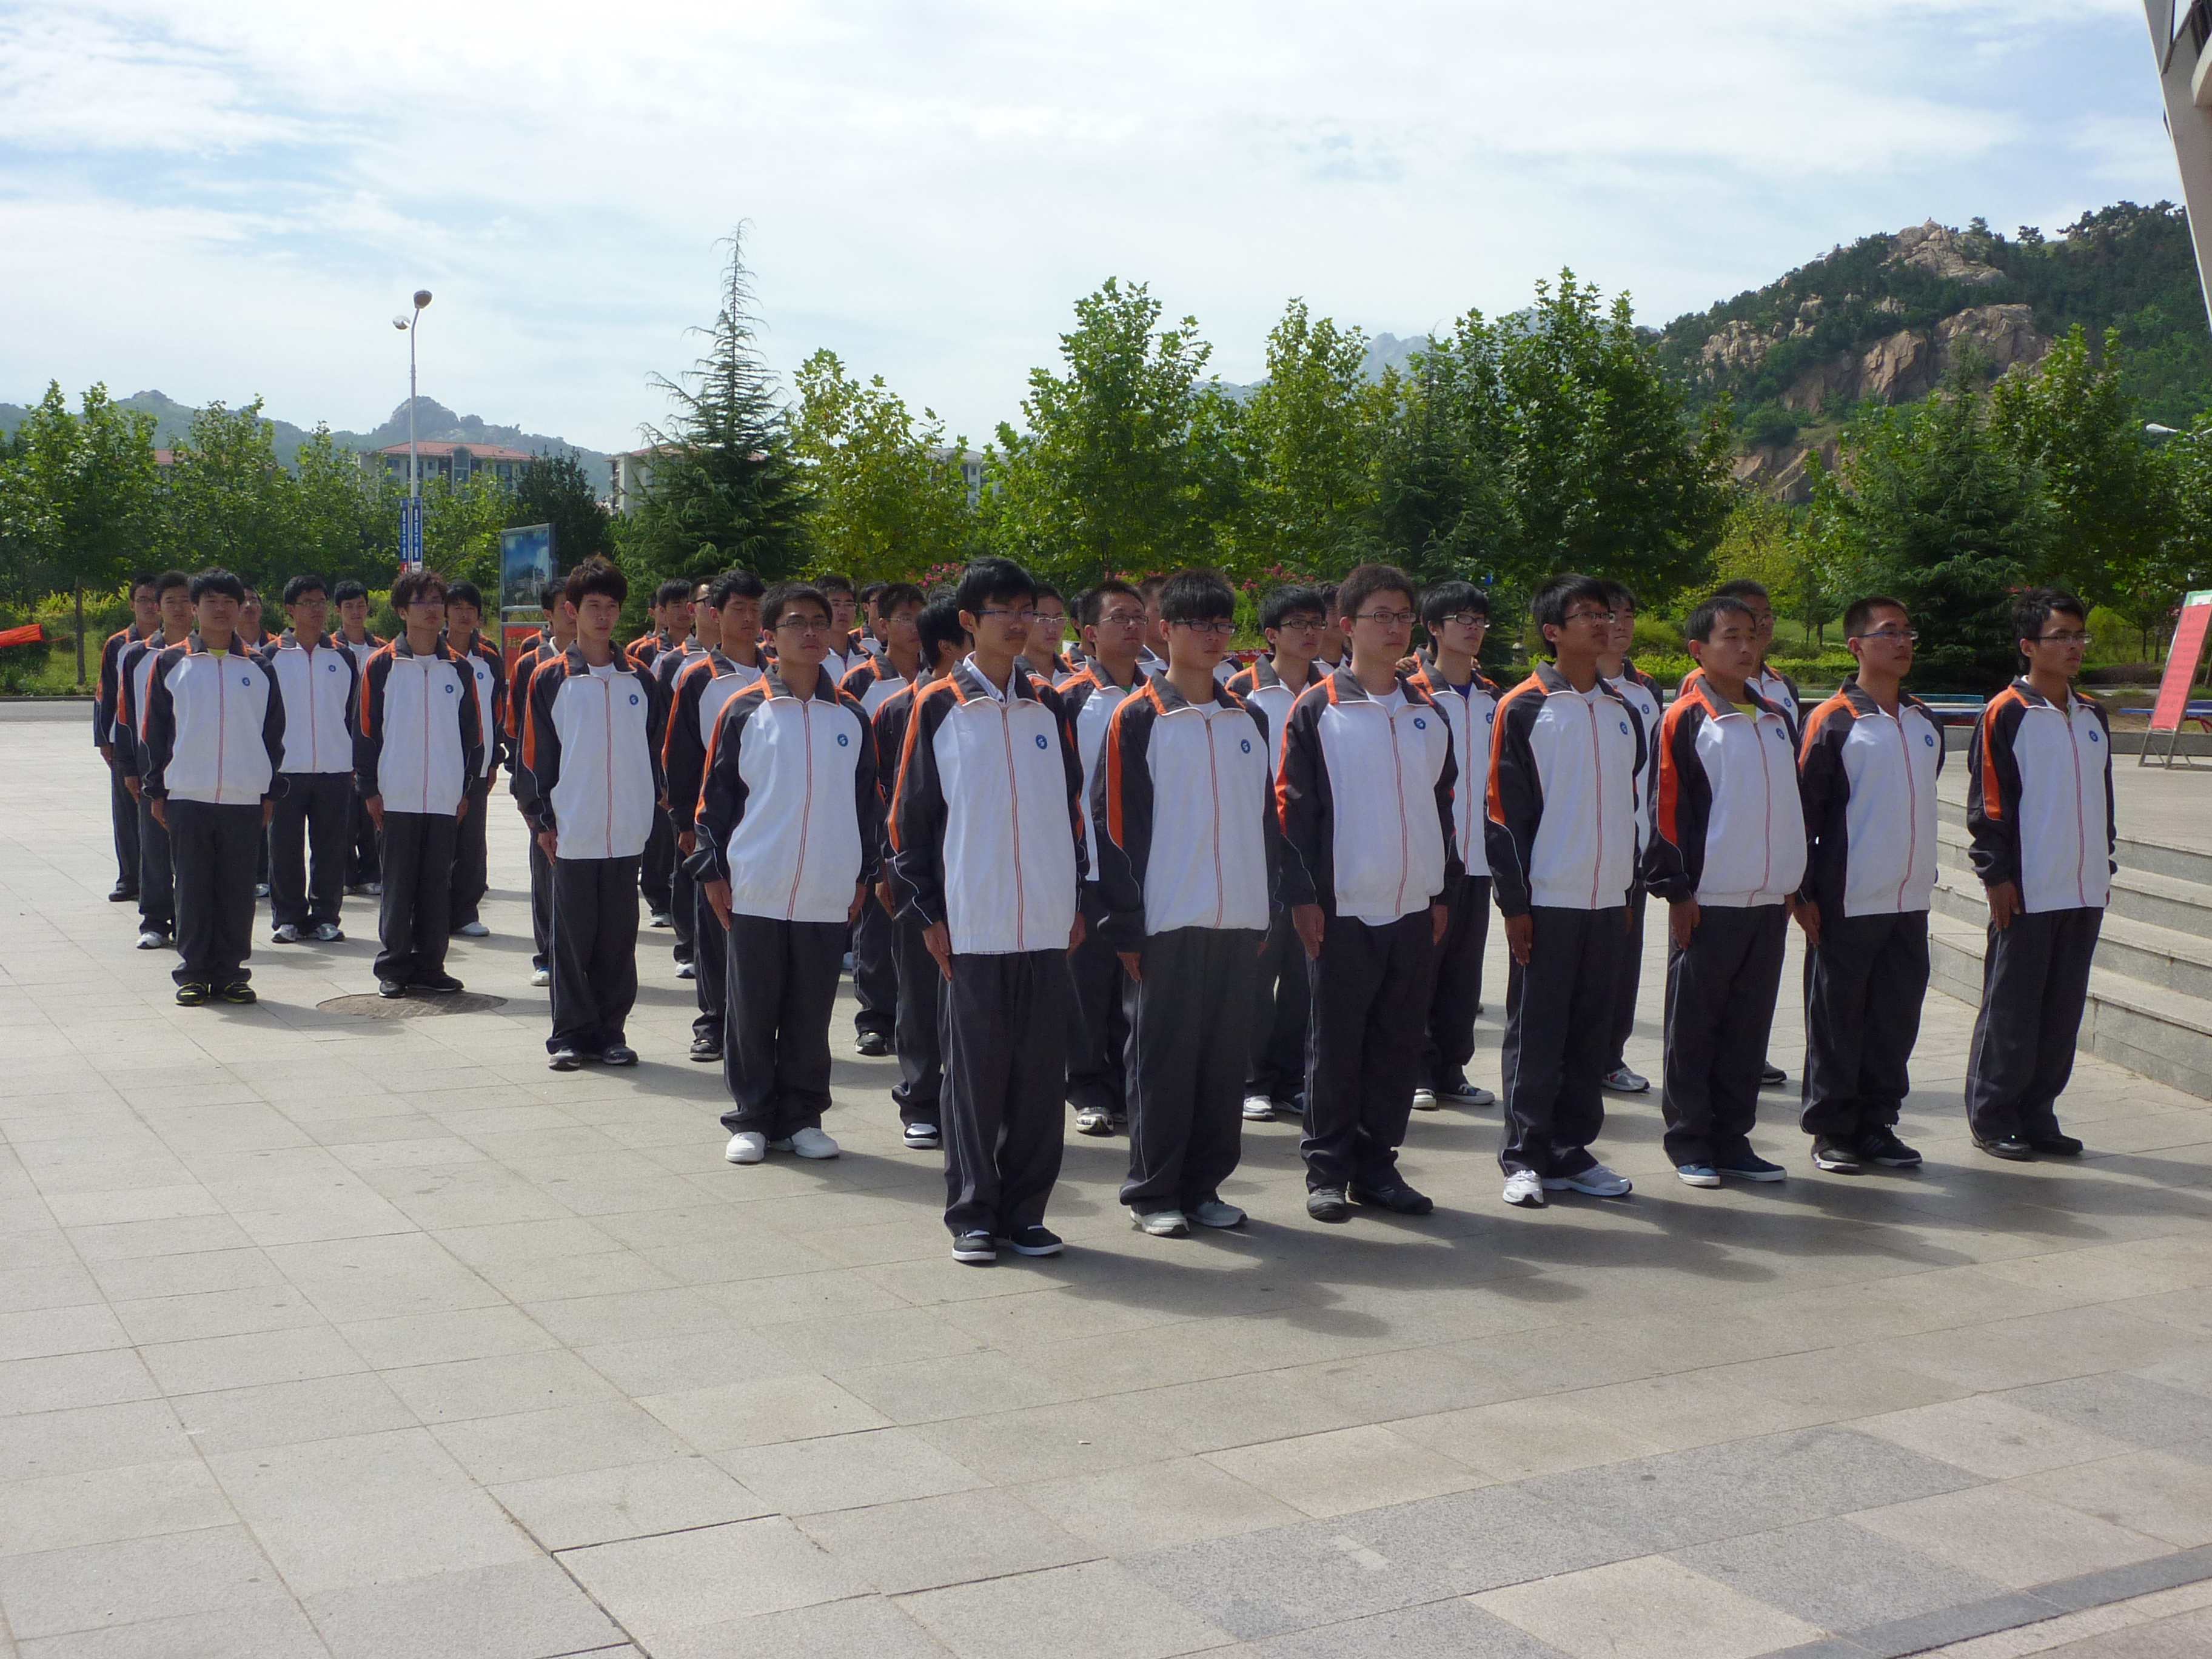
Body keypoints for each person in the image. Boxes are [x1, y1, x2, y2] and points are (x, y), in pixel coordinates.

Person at [890, 557, 1085, 1265]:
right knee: (975, 1078)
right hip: (973, 922)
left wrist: (1075, 899)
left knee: (1039, 1079)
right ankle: (973, 1213)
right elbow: (908, 819)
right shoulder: (939, 705)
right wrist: (928, 913)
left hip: (1045, 923)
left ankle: (1026, 1214)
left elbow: (1073, 812)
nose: (1019, 622)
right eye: (1004, 610)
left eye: (1027, 609)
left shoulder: (1049, 706)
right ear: (969, 621)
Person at [1093, 569, 1273, 1236]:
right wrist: (1126, 924)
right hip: (1167, 920)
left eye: (1222, 624)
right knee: (1162, 1059)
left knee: (1223, 1062)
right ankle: (1153, 1191)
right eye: (1198, 623)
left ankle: (1204, 1186)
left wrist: (1265, 905)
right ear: (1164, 629)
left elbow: (1265, 820)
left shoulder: (1247, 717)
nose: (1213, 636)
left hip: (1239, 917)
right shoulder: (1139, 717)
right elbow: (1115, 826)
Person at [1276, 563, 1456, 1222]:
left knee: (1397, 1044)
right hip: (1343, 908)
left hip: (1412, 905)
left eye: (1404, 616)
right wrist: (1304, 897)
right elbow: (1294, 811)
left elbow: (1442, 807)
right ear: (1346, 626)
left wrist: (1440, 892)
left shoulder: (1427, 711)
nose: (1395, 627)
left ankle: (1378, 1165)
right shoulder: (1319, 708)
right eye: (1381, 616)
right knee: (1336, 1045)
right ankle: (1326, 1170)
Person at [694, 581, 878, 1165]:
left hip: (826, 887)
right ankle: (750, 1117)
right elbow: (715, 799)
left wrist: (862, 875)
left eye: (819, 622)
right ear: (771, 636)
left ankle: (802, 1117)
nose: (811, 632)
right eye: (796, 622)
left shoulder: (850, 715)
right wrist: (713, 872)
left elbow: (867, 805)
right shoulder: (745, 709)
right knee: (752, 1010)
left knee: (810, 1011)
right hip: (758, 885)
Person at [1487, 574, 1642, 1210]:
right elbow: (1504, 814)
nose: (1604, 623)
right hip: (1548, 901)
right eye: (1587, 614)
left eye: (1607, 613)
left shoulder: (1621, 709)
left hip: (1606, 899)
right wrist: (1515, 904)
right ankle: (1525, 1156)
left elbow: (1628, 806)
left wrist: (1626, 890)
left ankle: (1572, 1151)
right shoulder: (1524, 707)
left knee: (1588, 1034)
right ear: (1552, 631)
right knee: (1537, 1033)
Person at [1642, 594, 1806, 1187]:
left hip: (1768, 901)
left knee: (1747, 1028)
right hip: (1709, 901)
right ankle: (1690, 1140)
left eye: (1751, 635)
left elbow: (1790, 803)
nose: (1745, 646)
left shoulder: (1776, 717)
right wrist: (1677, 890)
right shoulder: (1687, 719)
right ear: (1698, 650)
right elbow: (1666, 811)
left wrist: (1792, 882)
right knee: (1695, 1028)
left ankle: (1734, 1139)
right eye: (1730, 636)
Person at [1963, 588, 2113, 1161]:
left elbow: (2102, 798)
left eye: (2080, 635)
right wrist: (1996, 876)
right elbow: (1989, 804)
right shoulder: (2007, 712)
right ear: (2028, 645)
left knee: (2061, 1010)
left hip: (2083, 887)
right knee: (2012, 1009)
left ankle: (2039, 1113)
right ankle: (1994, 1115)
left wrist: (2104, 861)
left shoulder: (2092, 713)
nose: (2075, 646)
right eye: (2061, 636)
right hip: (2027, 889)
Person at [1795, 597, 1942, 1175]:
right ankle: (1832, 1129)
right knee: (1838, 1019)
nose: (1902, 643)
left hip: (1908, 898)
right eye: (1889, 633)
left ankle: (1877, 1125)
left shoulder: (1924, 721)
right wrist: (1803, 894)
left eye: (1908, 632)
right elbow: (1805, 813)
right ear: (1856, 646)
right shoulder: (1834, 720)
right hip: (1847, 899)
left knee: (1894, 1018)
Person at [524, 558, 663, 1069]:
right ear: (571, 611)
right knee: (572, 938)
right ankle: (569, 1034)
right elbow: (535, 755)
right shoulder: (550, 678)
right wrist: (543, 818)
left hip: (627, 831)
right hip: (574, 831)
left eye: (611, 607)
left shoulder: (640, 679)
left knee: (618, 939)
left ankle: (611, 1032)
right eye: (593, 607)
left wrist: (652, 806)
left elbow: (655, 751)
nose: (603, 616)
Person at [138, 568, 286, 1006]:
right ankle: (193, 973)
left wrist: (269, 791)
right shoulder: (171, 663)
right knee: (192, 888)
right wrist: (157, 790)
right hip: (188, 795)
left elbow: (274, 734)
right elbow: (155, 731)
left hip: (244, 797)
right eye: (211, 602)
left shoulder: (260, 666)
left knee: (238, 892)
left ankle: (231, 973)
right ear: (194, 608)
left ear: (241, 608)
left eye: (229, 602)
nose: (221, 610)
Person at [1226, 585, 1329, 1122]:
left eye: (1317, 623)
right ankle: (1251, 1079)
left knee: (1303, 972)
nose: (1310, 633)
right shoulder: (1239, 692)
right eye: (1297, 624)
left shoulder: (1333, 690)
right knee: (1256, 971)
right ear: (1270, 634)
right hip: (1259, 848)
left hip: (1313, 850)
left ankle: (1291, 1077)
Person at [1056, 578, 1153, 1136]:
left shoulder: (1162, 695)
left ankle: (1131, 1087)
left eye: (1139, 616)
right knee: (1088, 985)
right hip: (1089, 868)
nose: (1133, 626)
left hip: (1147, 870)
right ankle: (1089, 1087)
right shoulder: (1069, 699)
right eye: (1120, 617)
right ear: (1090, 633)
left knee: (1136, 984)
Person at [357, 569, 482, 1000]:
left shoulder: (459, 669)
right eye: (421, 602)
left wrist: (465, 790)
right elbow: (366, 732)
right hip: (398, 795)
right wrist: (370, 788)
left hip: (444, 797)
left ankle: (431, 965)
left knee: (435, 885)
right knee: (398, 886)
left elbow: (473, 736)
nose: (432, 610)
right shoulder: (382, 665)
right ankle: (394, 966)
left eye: (436, 601)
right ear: (401, 611)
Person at [874, 597, 968, 1151]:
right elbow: (883, 798)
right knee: (919, 988)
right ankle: (921, 1100)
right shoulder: (899, 710)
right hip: (917, 873)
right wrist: (886, 871)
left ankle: (968, 1101)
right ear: (950, 647)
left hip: (975, 872)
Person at [665, 571, 768, 1061]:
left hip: (770, 820)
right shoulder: (698, 678)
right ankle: (713, 1023)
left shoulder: (779, 674)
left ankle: (757, 1027)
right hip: (717, 822)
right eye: (738, 609)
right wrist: (685, 821)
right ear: (715, 614)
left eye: (755, 609)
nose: (748, 618)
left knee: (761, 928)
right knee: (715, 922)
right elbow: (681, 753)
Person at [1406, 581, 1500, 1113]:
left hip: (1479, 855)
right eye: (1461, 619)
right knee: (1423, 967)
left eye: (1479, 619)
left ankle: (1451, 1068)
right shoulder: (1411, 694)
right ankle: (1416, 1070)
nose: (1473, 628)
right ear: (1434, 628)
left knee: (1465, 970)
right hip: (1429, 856)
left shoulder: (1493, 698)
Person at [1710, 577, 1799, 1089]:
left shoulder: (1780, 693)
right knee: (1707, 998)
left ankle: (1748, 1061)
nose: (1758, 626)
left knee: (1754, 992)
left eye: (1763, 617)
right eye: (1743, 620)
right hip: (1718, 881)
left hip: (1769, 879)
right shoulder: (1700, 696)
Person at [837, 581, 927, 1057]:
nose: (915, 627)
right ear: (882, 625)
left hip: (924, 825)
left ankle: (917, 1020)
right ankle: (874, 1018)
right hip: (878, 818)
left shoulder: (938, 680)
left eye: (920, 616)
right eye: (905, 618)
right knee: (877, 924)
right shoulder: (861, 683)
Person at [261, 575, 359, 945]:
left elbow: (353, 712)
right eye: (307, 603)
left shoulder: (343, 656)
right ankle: (288, 917)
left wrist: (353, 758)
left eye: (321, 602)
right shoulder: (270, 657)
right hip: (287, 769)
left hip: (335, 767)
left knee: (331, 848)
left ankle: (325, 917)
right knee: (284, 848)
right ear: (290, 609)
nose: (316, 610)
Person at [1596, 581, 1664, 1095]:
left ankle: (1609, 1057)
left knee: (1623, 959)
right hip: (1580, 854)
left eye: (1627, 614)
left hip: (1635, 847)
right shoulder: (1563, 691)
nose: (1620, 624)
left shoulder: (1647, 690)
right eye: (1608, 614)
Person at [116, 572, 196, 950]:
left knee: (192, 850)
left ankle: (189, 920)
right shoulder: (138, 655)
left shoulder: (206, 654)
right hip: (152, 767)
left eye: (184, 601)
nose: (178, 608)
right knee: (154, 846)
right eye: (169, 602)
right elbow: (127, 715)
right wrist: (129, 767)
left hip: (195, 766)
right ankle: (154, 920)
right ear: (157, 608)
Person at [506, 590, 577, 988]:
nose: (571, 613)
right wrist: (525, 790)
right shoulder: (531, 664)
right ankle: (547, 955)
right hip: (544, 786)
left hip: (587, 786)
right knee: (546, 870)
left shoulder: (605, 663)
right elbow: (517, 730)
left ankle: (579, 957)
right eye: (563, 606)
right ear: (548, 613)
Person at [652, 583, 716, 983]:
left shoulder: (763, 664)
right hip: (689, 786)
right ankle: (688, 945)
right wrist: (667, 784)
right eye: (709, 603)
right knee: (687, 864)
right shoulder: (674, 663)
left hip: (731, 792)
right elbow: (663, 728)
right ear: (696, 609)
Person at [441, 581, 504, 940]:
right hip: (438, 762)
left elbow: (497, 711)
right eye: (457, 607)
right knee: (439, 841)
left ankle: (466, 911)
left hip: (477, 766)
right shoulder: (433, 652)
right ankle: (435, 911)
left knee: (471, 842)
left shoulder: (489, 657)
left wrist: (493, 759)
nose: (464, 615)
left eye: (471, 609)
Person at [632, 578, 695, 928]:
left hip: (691, 755)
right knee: (660, 834)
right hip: (660, 752)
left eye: (688, 604)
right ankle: (659, 898)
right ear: (661, 611)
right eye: (675, 606)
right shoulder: (645, 653)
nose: (683, 612)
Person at [95, 573, 161, 902]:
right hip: (125, 742)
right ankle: (129, 878)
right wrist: (104, 740)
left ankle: (164, 876)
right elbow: (105, 693)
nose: (149, 606)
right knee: (126, 813)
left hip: (162, 742)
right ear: (132, 605)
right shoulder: (118, 645)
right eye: (142, 600)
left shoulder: (178, 643)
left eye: (154, 600)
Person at [330, 580, 386, 896]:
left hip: (373, 739)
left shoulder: (382, 650)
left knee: (370, 810)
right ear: (338, 610)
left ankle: (371, 872)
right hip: (339, 737)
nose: (355, 612)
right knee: (343, 814)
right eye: (348, 606)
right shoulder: (330, 649)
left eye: (361, 605)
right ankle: (345, 874)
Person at [1021, 583, 1074, 682]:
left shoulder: (1077, 676)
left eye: (1059, 619)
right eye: (1043, 619)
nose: (1052, 629)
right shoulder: (1008, 678)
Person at [816, 572, 862, 682]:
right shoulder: (810, 656)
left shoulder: (866, 656)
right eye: (836, 605)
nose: (843, 612)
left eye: (849, 605)